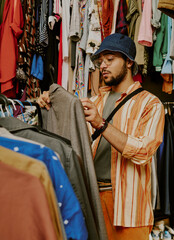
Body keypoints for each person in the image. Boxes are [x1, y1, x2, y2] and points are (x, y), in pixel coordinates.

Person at [37, 33, 165, 240]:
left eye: (110, 59)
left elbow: (143, 151)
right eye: (100, 61)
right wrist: (48, 102)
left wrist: (101, 123)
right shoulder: (93, 101)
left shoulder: (150, 104)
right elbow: (71, 134)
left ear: (129, 62)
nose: (103, 65)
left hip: (129, 206)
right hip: (92, 199)